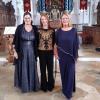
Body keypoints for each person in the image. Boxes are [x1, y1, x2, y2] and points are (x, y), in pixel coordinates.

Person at [12, 12, 40, 93]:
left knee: (32, 67)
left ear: (31, 19)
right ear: (23, 19)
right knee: (23, 68)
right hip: (22, 51)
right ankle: (24, 86)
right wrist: (15, 52)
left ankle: (32, 85)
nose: (27, 19)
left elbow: (38, 41)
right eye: (26, 18)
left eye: (28, 18)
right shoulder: (19, 28)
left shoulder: (35, 28)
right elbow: (14, 41)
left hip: (32, 51)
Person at [54, 12, 79, 99]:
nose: (65, 20)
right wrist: (56, 54)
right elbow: (55, 44)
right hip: (62, 56)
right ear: (61, 20)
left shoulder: (74, 31)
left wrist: (76, 56)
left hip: (71, 56)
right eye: (63, 18)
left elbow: (76, 44)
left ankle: (68, 93)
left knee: (70, 74)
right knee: (63, 74)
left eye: (66, 18)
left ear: (69, 20)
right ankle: (66, 88)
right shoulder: (58, 32)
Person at [37, 13, 55, 92]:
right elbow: (37, 42)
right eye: (42, 19)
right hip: (41, 52)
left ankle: (50, 85)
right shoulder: (38, 30)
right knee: (42, 69)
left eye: (45, 19)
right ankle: (43, 85)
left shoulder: (52, 30)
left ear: (47, 20)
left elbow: (54, 42)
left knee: (50, 69)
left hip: (50, 52)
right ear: (41, 21)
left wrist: (55, 52)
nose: (44, 21)